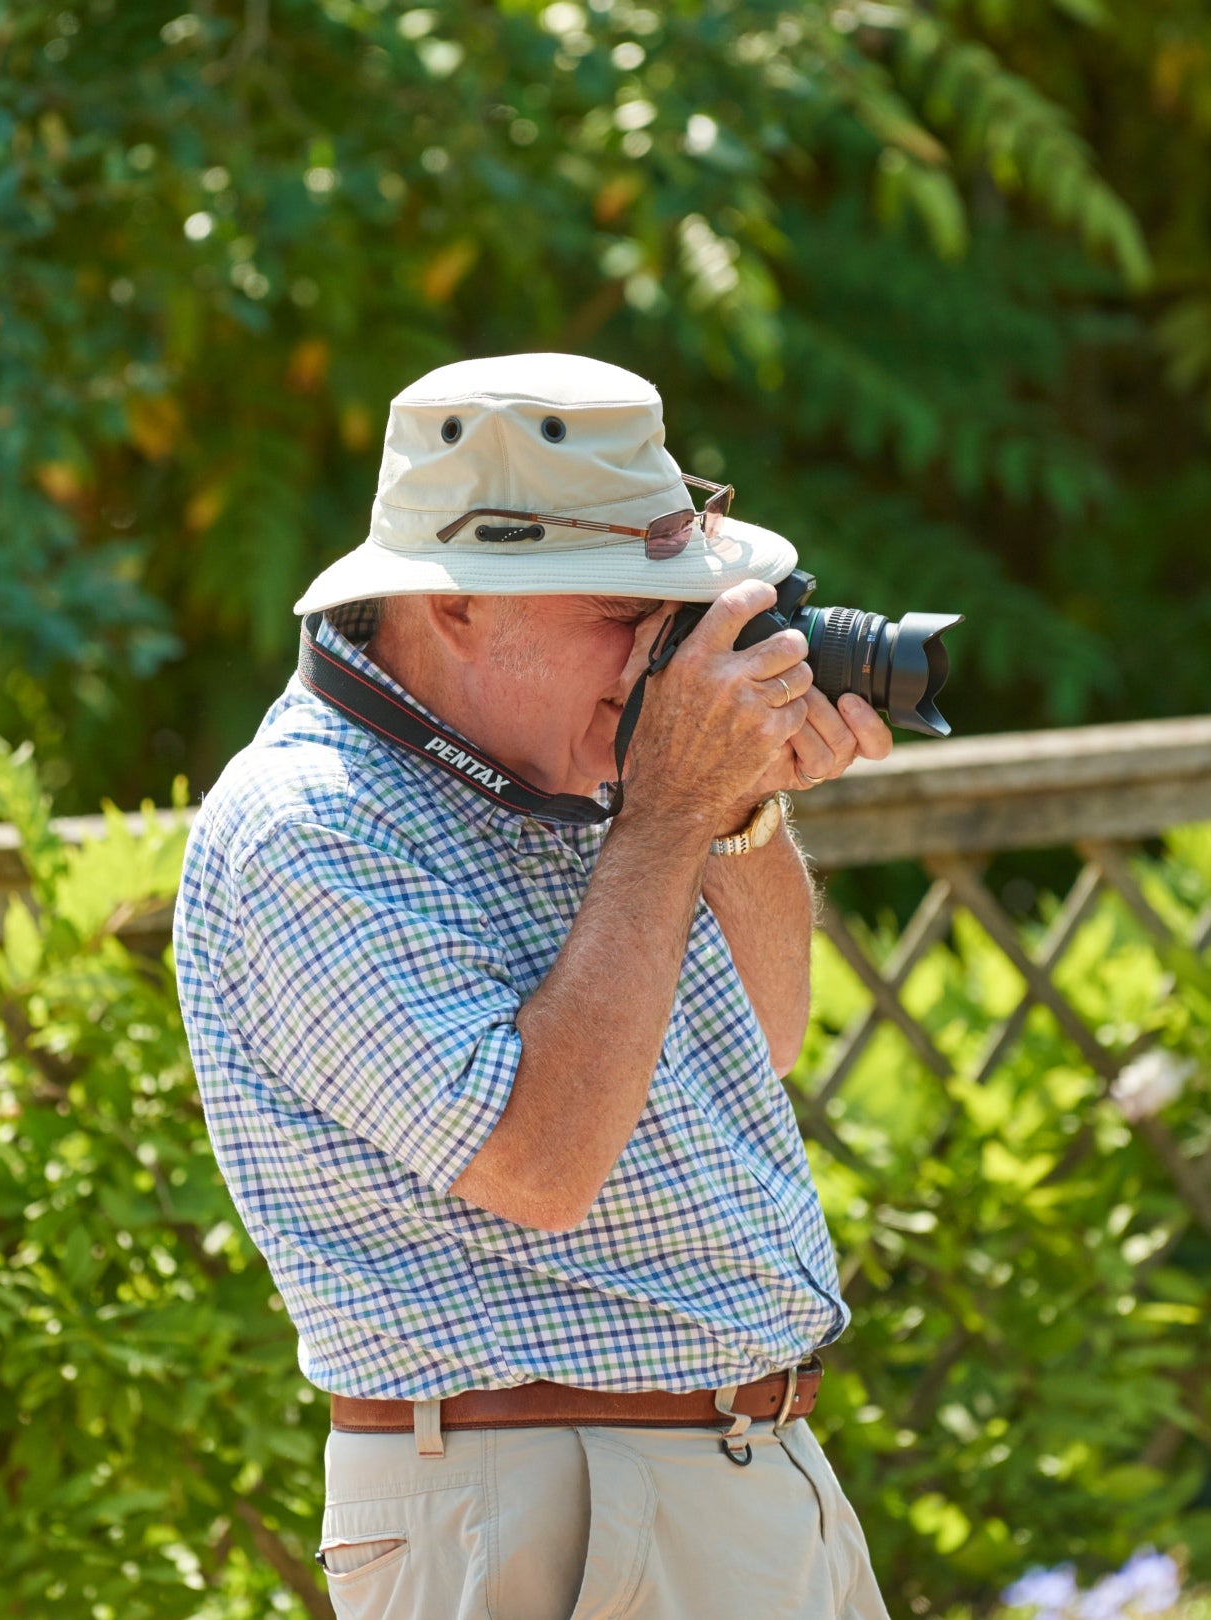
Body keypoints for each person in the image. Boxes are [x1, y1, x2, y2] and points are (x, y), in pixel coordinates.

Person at [174, 352, 898, 1619]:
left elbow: (768, 1037)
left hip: (734, 1481)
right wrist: (668, 811)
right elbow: (543, 1162)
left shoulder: (580, 774)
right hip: (544, 1510)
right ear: (456, 604)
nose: (655, 668)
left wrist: (732, 808)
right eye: (623, 620)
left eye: (673, 622)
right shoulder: (312, 827)